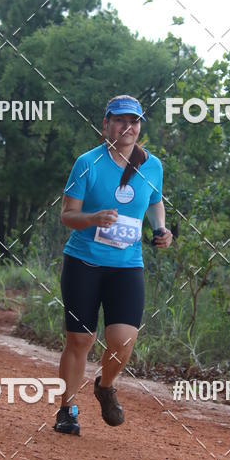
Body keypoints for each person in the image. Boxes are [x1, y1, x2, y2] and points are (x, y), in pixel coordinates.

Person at [54, 95, 172, 436]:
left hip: (127, 265)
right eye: (120, 120)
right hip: (83, 262)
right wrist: (93, 218)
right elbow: (67, 215)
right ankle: (67, 410)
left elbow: (155, 201)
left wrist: (161, 230)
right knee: (80, 339)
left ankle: (105, 385)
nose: (127, 127)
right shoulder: (87, 163)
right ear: (106, 124)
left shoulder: (152, 166)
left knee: (123, 340)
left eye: (133, 121)